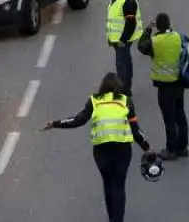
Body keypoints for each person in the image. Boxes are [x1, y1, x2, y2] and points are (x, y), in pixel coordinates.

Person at [42, 72, 156, 222]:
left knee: (108, 183)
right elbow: (135, 130)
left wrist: (56, 123)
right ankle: (118, 220)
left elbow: (78, 120)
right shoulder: (125, 101)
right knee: (119, 185)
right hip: (122, 150)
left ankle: (111, 217)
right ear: (118, 87)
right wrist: (147, 147)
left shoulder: (94, 101)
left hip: (102, 151)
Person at [137, 13, 189, 161]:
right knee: (180, 116)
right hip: (179, 83)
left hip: (165, 87)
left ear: (157, 26)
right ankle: (183, 147)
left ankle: (171, 150)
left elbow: (141, 46)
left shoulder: (156, 42)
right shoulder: (178, 37)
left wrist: (148, 28)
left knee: (169, 119)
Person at [106, 0, 142, 95]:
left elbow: (131, 23)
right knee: (126, 62)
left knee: (122, 65)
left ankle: (124, 91)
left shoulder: (128, 1)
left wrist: (122, 40)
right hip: (119, 39)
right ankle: (126, 88)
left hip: (123, 40)